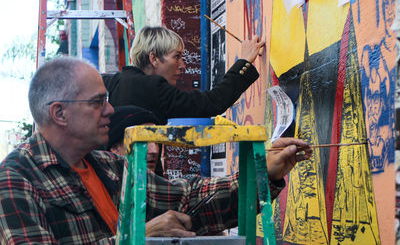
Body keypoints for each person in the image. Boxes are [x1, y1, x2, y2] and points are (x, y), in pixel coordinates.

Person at [0, 57, 312, 244]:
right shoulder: (15, 180)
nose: (110, 110)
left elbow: (189, 199)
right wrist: (138, 237)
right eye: (98, 102)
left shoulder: (108, 165)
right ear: (60, 113)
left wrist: (262, 171)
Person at [103, 26, 265, 124]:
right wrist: (244, 62)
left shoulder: (112, 82)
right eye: (176, 57)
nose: (182, 65)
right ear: (154, 58)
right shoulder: (154, 88)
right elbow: (212, 102)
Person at [107, 105, 162, 174]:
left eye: (157, 142)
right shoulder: (99, 183)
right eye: (143, 142)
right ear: (115, 148)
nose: (154, 151)